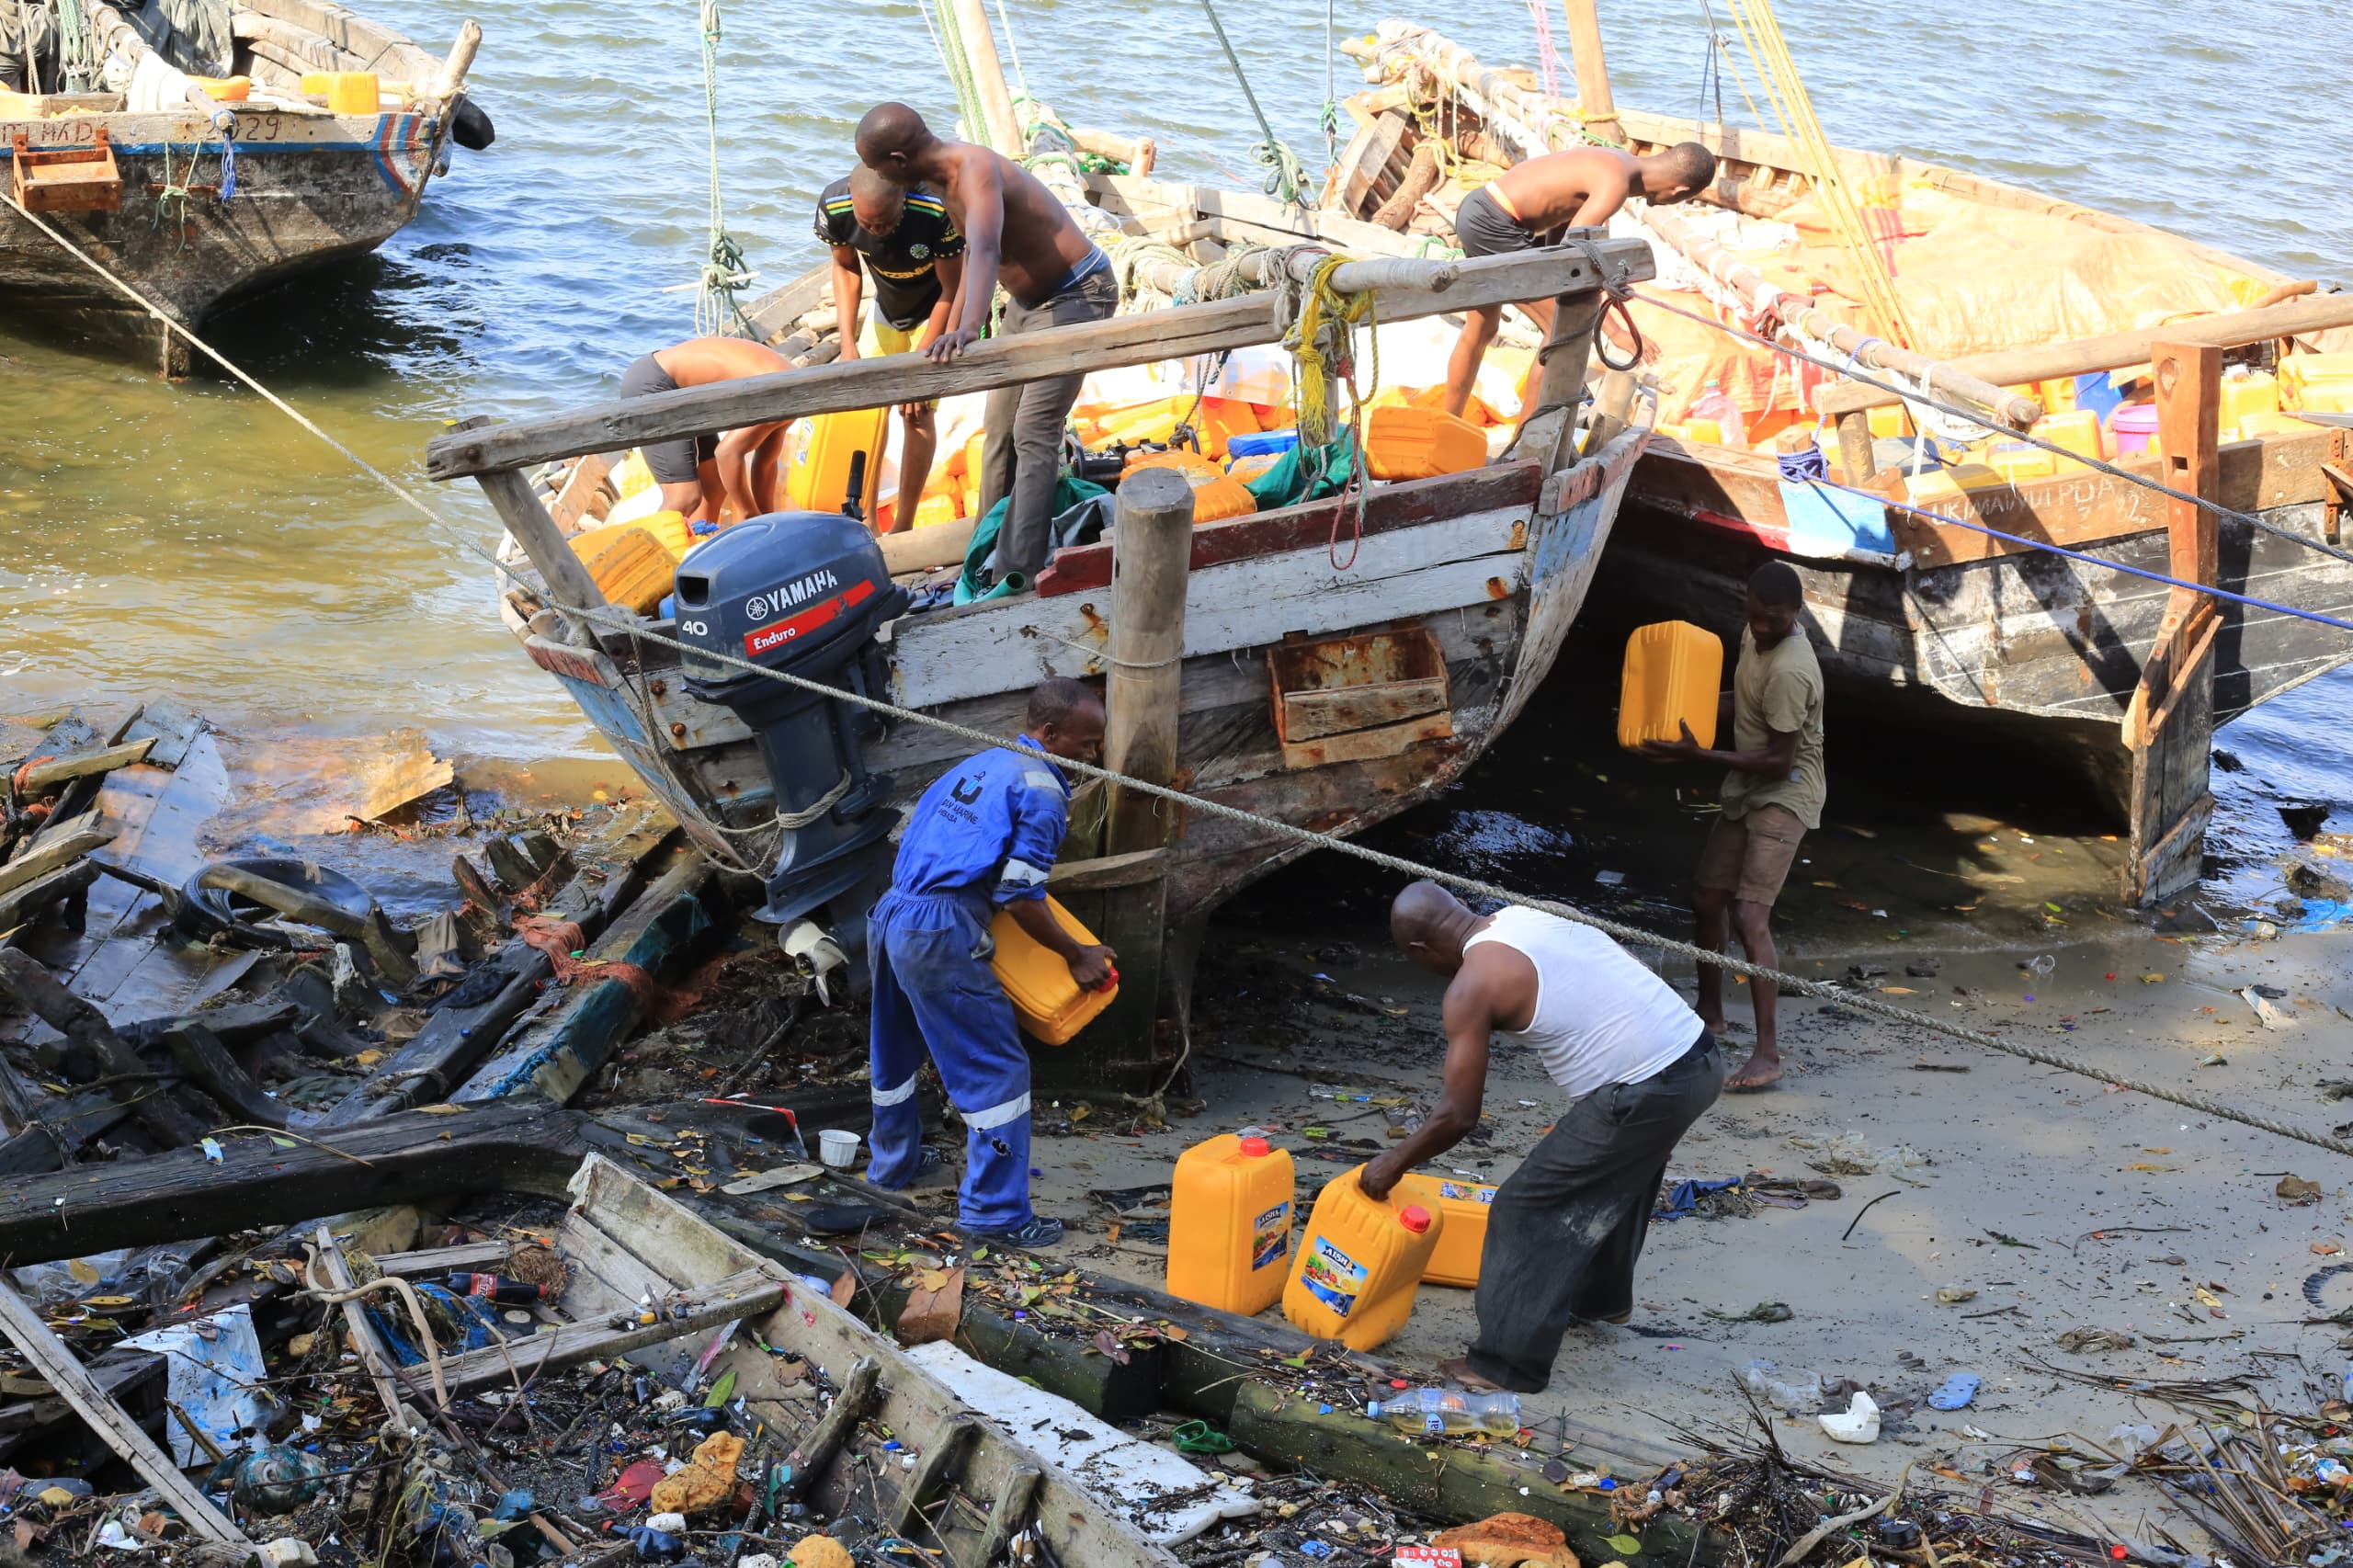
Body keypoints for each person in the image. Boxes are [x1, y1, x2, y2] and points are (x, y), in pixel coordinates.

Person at [1362, 882, 1722, 1394]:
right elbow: (1622, 966)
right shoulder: (1529, 916)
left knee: (1525, 1208)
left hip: (1649, 1086)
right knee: (1626, 1172)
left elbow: (1458, 1115)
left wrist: (1391, 1164)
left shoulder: (1471, 986)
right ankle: (1602, 1300)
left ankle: (1506, 1365)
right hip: (1699, 1057)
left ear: (1419, 950)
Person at [864, 676, 1116, 1248]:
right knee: (996, 1072)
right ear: (1050, 733)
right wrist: (1076, 955)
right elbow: (1020, 894)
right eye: (1086, 742)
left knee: (894, 1050)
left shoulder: (981, 764)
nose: (1093, 755)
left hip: (891, 911)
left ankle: (892, 1166)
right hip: (939, 930)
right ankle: (995, 1214)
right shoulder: (1045, 793)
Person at [855, 102, 1121, 587]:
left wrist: (969, 327)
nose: (878, 177)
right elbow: (956, 265)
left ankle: (1015, 575)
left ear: (898, 158)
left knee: (1034, 431)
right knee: (998, 429)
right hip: (1027, 305)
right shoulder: (931, 181)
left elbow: (985, 248)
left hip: (1079, 294)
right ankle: (987, 548)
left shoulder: (973, 169)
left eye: (878, 168)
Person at [1639, 561, 1826, 1091]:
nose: (1763, 627)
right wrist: (1669, 714)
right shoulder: (1751, 633)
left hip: (1786, 792)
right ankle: (1711, 1012)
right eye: (1756, 615)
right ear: (1747, 603)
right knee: (1705, 898)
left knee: (1750, 915)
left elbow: (1779, 761)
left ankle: (1767, 1053)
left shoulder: (1792, 668)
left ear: (1795, 614)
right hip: (1746, 790)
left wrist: (1698, 755)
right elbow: (1741, 702)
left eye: (1774, 620)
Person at [1443, 142, 1717, 419]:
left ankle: (1447, 423)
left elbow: (1560, 232)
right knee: (1558, 332)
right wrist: (1615, 332)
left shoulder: (1617, 161)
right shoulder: (1616, 184)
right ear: (1679, 191)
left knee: (1482, 328)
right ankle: (1523, 444)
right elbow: (1576, 259)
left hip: (1480, 208)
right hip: (1497, 225)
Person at [817, 165, 968, 533]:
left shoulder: (936, 210)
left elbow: (954, 287)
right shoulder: (834, 206)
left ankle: (904, 524)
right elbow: (846, 269)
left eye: (885, 223)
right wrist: (848, 343)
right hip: (888, 307)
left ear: (903, 198)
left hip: (938, 311)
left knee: (916, 414)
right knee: (866, 413)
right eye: (867, 225)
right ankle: (864, 518)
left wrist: (922, 360)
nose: (876, 232)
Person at [615, 336, 794, 525]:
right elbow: (727, 453)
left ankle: (696, 547)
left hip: (692, 394)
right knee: (684, 497)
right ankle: (646, 551)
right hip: (655, 385)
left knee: (714, 488)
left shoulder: (792, 400)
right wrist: (749, 513)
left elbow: (765, 465)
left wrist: (768, 520)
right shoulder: (780, 395)